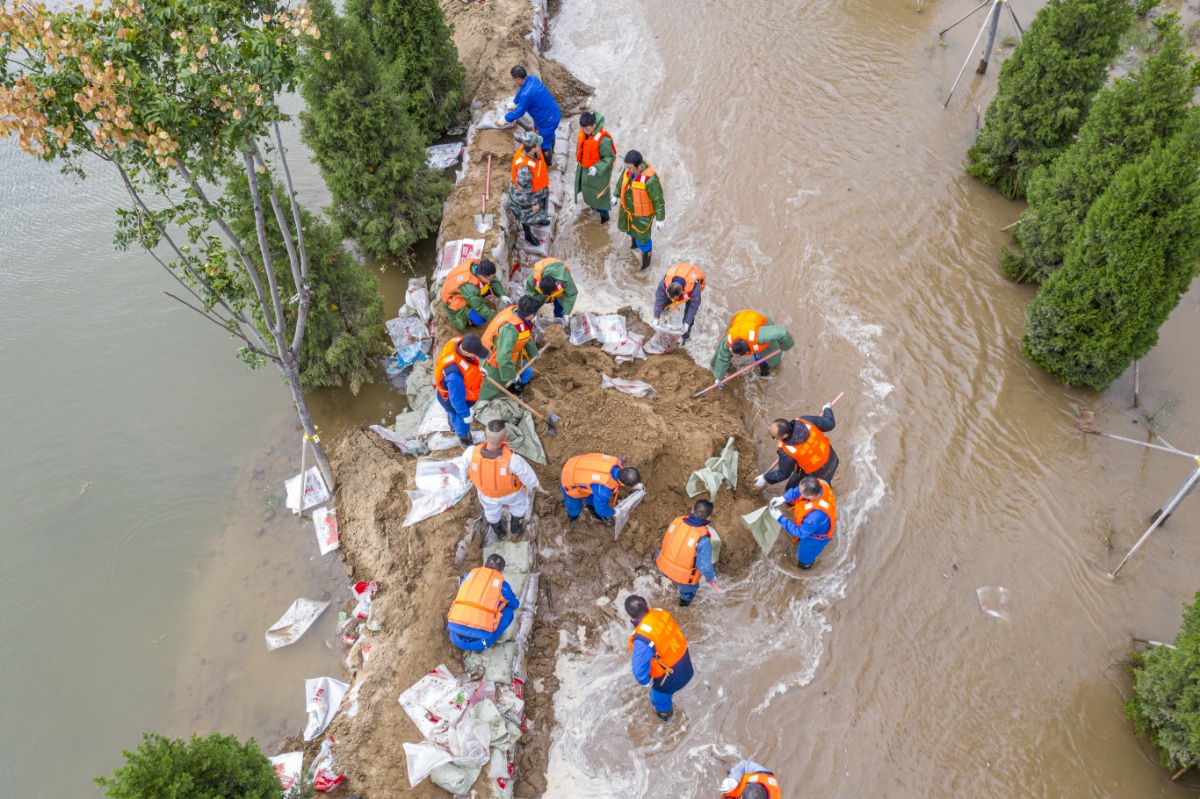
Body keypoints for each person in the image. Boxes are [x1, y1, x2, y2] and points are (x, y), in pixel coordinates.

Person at [455, 420, 540, 540]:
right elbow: (530, 479)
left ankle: (500, 533)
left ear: (485, 435)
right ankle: (516, 531)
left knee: (491, 512)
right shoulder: (514, 461)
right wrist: (535, 486)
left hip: (487, 494)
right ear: (505, 438)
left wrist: (465, 477)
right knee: (519, 507)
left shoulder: (470, 453)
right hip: (512, 494)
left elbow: (463, 470)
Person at [625, 594, 693, 721]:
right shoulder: (660, 612)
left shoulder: (642, 639)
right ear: (647, 606)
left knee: (659, 702)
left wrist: (647, 682)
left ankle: (668, 722)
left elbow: (639, 673)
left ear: (630, 616)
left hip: (670, 677)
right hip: (687, 664)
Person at [754, 404, 839, 490]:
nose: (774, 438)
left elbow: (783, 474)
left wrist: (765, 478)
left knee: (790, 489)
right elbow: (830, 424)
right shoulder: (806, 420)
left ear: (784, 435)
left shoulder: (787, 452)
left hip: (816, 472)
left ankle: (793, 502)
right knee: (826, 479)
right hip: (833, 460)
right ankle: (827, 487)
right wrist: (827, 409)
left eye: (774, 437)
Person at [446, 554, 520, 652]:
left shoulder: (469, 576)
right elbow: (515, 605)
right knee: (509, 612)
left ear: (484, 564)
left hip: (455, 638)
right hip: (479, 643)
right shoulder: (503, 586)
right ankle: (489, 640)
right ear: (501, 572)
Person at [655, 499, 720, 606]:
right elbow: (704, 567)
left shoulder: (677, 521)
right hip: (683, 578)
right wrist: (711, 577)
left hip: (662, 565)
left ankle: (663, 580)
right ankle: (683, 606)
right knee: (688, 592)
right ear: (708, 518)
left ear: (692, 510)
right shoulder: (704, 540)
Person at [433, 334, 491, 447]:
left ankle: (452, 426)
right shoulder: (454, 374)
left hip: (449, 393)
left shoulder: (457, 342)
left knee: (452, 416)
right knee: (461, 423)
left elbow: (465, 367)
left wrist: (477, 370)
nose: (477, 356)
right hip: (452, 401)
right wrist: (465, 414)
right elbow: (456, 399)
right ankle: (465, 441)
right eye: (476, 354)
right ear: (468, 353)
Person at [768, 475, 837, 570]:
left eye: (801, 493)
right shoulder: (818, 484)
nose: (799, 492)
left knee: (804, 557)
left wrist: (780, 518)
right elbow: (798, 490)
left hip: (814, 540)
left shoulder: (815, 517)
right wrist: (783, 498)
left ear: (810, 497)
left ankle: (805, 567)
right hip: (812, 526)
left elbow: (800, 532)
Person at [479, 296, 541, 400]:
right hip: (493, 362)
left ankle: (515, 390)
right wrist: (512, 375)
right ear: (531, 315)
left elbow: (526, 337)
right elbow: (503, 356)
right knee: (488, 392)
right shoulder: (510, 330)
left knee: (527, 372)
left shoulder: (517, 313)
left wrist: (534, 352)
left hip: (510, 356)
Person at [613, 150, 664, 271]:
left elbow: (659, 200)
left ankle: (646, 264)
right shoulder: (628, 172)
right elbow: (621, 183)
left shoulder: (650, 180)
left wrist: (660, 219)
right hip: (629, 210)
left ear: (639, 166)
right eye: (627, 167)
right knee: (630, 231)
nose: (628, 170)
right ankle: (633, 246)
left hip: (642, 216)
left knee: (644, 240)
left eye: (631, 168)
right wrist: (615, 195)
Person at [710, 310, 794, 382]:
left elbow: (782, 332)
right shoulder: (730, 339)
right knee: (724, 350)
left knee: (766, 355)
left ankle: (764, 373)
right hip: (739, 318)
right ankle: (714, 366)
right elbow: (722, 356)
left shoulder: (759, 336)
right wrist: (718, 378)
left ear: (747, 352)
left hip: (761, 319)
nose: (731, 352)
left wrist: (785, 346)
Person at [559, 453, 641, 526]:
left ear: (627, 467)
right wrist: (614, 512)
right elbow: (601, 510)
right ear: (623, 484)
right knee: (574, 506)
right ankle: (573, 516)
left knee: (593, 493)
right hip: (569, 479)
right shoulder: (603, 491)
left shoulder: (617, 461)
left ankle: (591, 506)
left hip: (578, 463)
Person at [504, 66, 562, 161]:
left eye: (513, 80)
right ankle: (553, 150)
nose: (513, 81)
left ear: (519, 79)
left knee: (544, 142)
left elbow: (519, 112)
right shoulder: (532, 78)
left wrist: (505, 118)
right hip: (553, 112)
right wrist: (515, 102)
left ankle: (548, 163)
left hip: (548, 121)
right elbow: (521, 91)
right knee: (550, 135)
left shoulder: (526, 94)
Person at [441, 258, 509, 330]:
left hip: (466, 293)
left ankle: (476, 301)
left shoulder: (481, 266)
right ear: (482, 277)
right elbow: (480, 307)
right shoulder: (469, 287)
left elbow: (494, 280)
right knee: (479, 319)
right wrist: (494, 317)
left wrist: (502, 294)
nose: (492, 279)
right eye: (490, 278)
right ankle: (472, 325)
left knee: (487, 288)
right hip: (454, 301)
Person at [574, 111, 617, 224]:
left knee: (600, 197)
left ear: (594, 125)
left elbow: (609, 157)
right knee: (587, 192)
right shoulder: (583, 133)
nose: (585, 131)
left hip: (598, 175)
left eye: (587, 128)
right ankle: (592, 206)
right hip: (585, 170)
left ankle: (604, 219)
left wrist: (597, 168)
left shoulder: (604, 140)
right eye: (583, 128)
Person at [509, 131, 551, 246]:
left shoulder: (531, 150)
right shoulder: (524, 167)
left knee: (541, 207)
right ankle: (528, 235)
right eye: (538, 144)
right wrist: (533, 203)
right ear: (533, 148)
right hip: (525, 195)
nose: (540, 146)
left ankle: (540, 218)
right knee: (526, 215)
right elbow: (525, 189)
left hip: (538, 189)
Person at [652, 263, 705, 344]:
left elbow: (693, 308)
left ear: (681, 293)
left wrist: (687, 323)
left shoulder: (694, 290)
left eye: (674, 298)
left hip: (690, 286)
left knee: (688, 319)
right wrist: (656, 317)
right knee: (663, 303)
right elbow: (659, 298)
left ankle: (685, 338)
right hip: (679, 276)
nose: (672, 299)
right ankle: (664, 315)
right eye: (669, 296)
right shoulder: (665, 282)